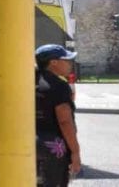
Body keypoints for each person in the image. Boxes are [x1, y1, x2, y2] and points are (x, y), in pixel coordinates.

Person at [35, 44, 81, 186]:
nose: (70, 64)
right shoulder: (58, 85)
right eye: (66, 60)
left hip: (29, 143)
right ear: (53, 62)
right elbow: (65, 121)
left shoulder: (29, 81)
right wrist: (75, 152)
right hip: (53, 147)